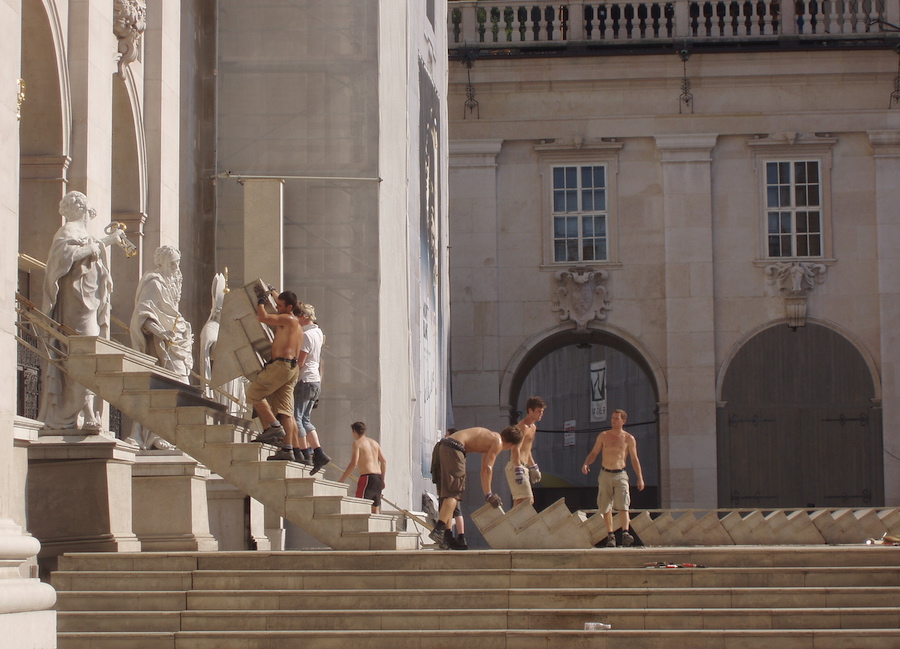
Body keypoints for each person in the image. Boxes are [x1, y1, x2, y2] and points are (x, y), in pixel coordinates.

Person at [39, 191, 125, 430]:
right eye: (87, 208)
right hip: (74, 304)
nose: (90, 212)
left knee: (90, 354)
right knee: (83, 353)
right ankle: (86, 413)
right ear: (81, 208)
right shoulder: (67, 231)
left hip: (89, 301)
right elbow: (64, 259)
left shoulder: (84, 234)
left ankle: (88, 412)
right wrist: (102, 244)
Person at [127, 246, 194, 449]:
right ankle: (157, 434)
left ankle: (166, 432)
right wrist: (161, 333)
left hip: (176, 344)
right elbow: (143, 316)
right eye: (172, 262)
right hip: (160, 345)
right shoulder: (153, 283)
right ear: (161, 262)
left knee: (180, 387)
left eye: (177, 262)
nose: (176, 266)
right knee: (168, 388)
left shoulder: (171, 282)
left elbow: (170, 314)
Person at [429, 425, 523, 549]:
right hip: (455, 448)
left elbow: (484, 470)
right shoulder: (498, 442)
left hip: (444, 446)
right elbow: (489, 469)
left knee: (447, 494)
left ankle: (447, 536)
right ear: (511, 445)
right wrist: (489, 494)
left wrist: (487, 494)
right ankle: (439, 530)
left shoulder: (490, 438)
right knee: (454, 493)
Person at [245, 288, 304, 461]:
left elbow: (262, 317)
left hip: (281, 366)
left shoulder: (287, 319)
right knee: (285, 411)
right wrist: (273, 292)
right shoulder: (297, 325)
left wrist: (262, 301)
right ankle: (287, 449)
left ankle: (273, 427)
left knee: (254, 393)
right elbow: (283, 302)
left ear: (289, 307)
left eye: (279, 306)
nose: (277, 308)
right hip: (292, 369)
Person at [581, 409, 645, 547]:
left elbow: (634, 459)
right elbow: (594, 452)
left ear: (623, 421)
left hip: (620, 473)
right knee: (605, 505)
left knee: (623, 504)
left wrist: (640, 477)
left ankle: (625, 533)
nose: (614, 420)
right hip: (605, 473)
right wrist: (586, 463)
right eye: (613, 418)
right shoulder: (604, 436)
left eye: (617, 418)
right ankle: (610, 535)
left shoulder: (628, 438)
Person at [292, 303, 331, 474]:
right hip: (315, 380)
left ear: (305, 317)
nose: (297, 319)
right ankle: (318, 452)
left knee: (297, 418)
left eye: (299, 316)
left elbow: (301, 362)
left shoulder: (306, 335)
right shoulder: (318, 333)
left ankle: (305, 453)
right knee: (306, 419)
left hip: (306, 380)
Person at [505, 396, 546, 507]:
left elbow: (527, 450)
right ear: (530, 410)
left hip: (523, 466)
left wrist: (534, 466)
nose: (541, 414)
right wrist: (518, 468)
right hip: (516, 466)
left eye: (542, 411)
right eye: (538, 411)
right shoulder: (522, 427)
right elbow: (515, 449)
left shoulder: (533, 428)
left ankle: (513, 524)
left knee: (520, 501)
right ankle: (511, 524)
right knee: (527, 500)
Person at [430, 428, 467, 550]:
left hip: (446, 479)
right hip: (447, 479)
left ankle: (451, 534)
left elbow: (436, 464)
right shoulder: (451, 447)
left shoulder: (444, 445)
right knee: (453, 510)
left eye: (447, 434)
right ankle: (450, 534)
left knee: (451, 507)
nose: (445, 435)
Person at [338, 421, 386, 513]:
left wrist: (342, 479)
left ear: (354, 431)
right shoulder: (375, 443)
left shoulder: (357, 443)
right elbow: (384, 461)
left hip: (367, 477)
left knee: (360, 505)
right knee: (375, 507)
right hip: (378, 477)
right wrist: (383, 478)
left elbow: (354, 463)